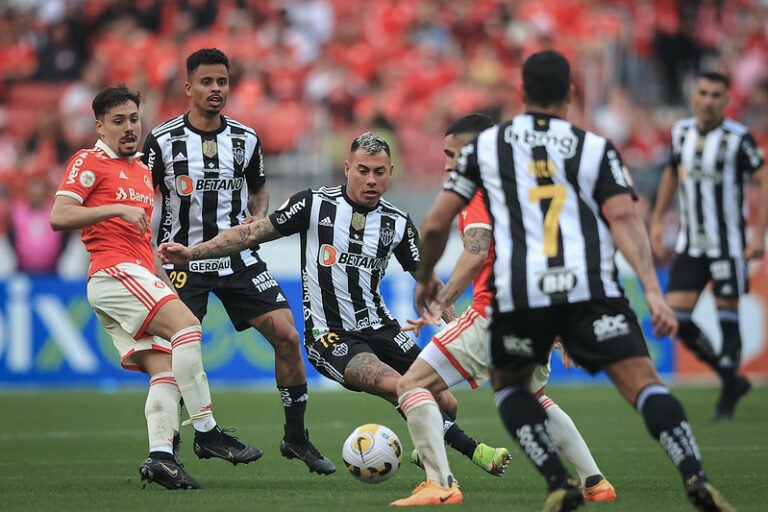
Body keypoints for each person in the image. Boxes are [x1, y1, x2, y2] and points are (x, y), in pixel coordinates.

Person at [412, 50, 735, 512]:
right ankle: (694, 475)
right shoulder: (595, 147)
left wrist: (426, 278)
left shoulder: (488, 147)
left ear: (521, 94)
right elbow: (626, 218)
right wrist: (652, 290)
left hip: (522, 293)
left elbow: (436, 224)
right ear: (570, 93)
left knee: (511, 387)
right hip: (590, 288)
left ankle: (556, 481)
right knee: (645, 387)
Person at [159, 132, 511, 487]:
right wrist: (193, 252)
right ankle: (476, 452)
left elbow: (430, 285)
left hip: (382, 327)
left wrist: (459, 325)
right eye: (362, 171)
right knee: (402, 387)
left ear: (391, 171)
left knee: (446, 403)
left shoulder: (397, 223)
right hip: (331, 336)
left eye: (379, 172)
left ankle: (426, 447)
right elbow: (251, 234)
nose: (371, 180)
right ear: (347, 169)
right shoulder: (313, 205)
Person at [391, 113, 615, 506]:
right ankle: (595, 481)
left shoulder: (479, 189)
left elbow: (476, 250)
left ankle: (440, 483)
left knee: (411, 385)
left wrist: (441, 299)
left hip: (494, 314)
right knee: (533, 395)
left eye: (451, 154)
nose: (446, 163)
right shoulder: (525, 189)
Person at [50, 85, 262, 491]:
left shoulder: (143, 171)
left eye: (133, 119)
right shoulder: (89, 160)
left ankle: (162, 457)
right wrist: (116, 208)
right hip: (114, 272)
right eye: (118, 121)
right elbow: (59, 215)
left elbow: (143, 244)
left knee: (163, 369)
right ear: (99, 126)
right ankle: (207, 431)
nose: (129, 128)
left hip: (137, 272)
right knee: (187, 328)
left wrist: (167, 284)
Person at [141, 48, 334, 474]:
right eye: (207, 82)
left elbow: (259, 189)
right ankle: (168, 451)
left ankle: (296, 437)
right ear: (188, 87)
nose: (216, 90)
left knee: (286, 334)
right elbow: (141, 196)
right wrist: (145, 251)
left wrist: (259, 217)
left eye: (222, 82)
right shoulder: (162, 140)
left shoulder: (246, 139)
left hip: (238, 258)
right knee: (176, 355)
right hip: (181, 263)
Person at [650, 71, 766, 421]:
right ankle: (731, 378)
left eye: (716, 94)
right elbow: (671, 172)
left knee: (726, 317)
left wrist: (758, 234)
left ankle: (727, 399)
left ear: (727, 100)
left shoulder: (738, 138)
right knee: (677, 320)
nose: (709, 100)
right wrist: (657, 219)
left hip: (727, 245)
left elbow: (763, 179)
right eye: (703, 93)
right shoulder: (680, 132)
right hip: (691, 245)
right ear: (693, 96)